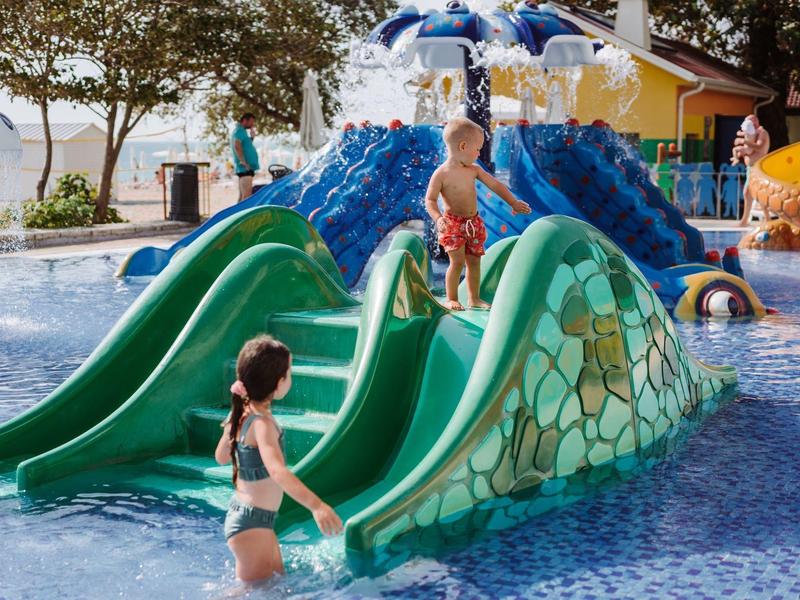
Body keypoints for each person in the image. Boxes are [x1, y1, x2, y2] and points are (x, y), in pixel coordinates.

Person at [215, 336, 342, 582]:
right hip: (251, 524)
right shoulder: (262, 424)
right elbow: (278, 471)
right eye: (289, 372)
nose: (290, 378)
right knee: (252, 592)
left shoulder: (242, 414)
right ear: (278, 383)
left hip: (252, 519)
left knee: (275, 582)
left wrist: (231, 424)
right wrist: (317, 506)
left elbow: (221, 457)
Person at [424, 117, 531, 311]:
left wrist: (513, 202)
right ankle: (452, 298)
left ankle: (474, 298)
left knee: (474, 262)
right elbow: (430, 200)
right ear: (463, 146)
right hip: (452, 224)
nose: (479, 152)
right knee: (456, 262)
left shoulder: (474, 170)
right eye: (478, 148)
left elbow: (495, 185)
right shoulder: (441, 174)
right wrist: (438, 218)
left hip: (473, 223)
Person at [730, 114, 770, 227]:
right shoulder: (751, 134)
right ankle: (747, 220)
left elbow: (759, 146)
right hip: (750, 168)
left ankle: (765, 218)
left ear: (756, 121)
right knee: (748, 193)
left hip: (758, 168)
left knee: (756, 193)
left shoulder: (762, 133)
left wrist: (744, 142)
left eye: (751, 122)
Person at [230, 113, 261, 202]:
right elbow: (237, 145)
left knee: (242, 197)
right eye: (251, 122)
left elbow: (245, 146)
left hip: (246, 168)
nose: (252, 125)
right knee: (246, 197)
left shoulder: (241, 131)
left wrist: (251, 138)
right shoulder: (239, 130)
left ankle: (236, 214)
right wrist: (243, 161)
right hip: (245, 169)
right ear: (244, 120)